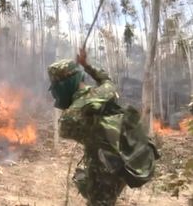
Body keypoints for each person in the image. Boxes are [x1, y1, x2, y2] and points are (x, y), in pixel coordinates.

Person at [47, 49, 159, 206]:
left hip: (103, 173)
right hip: (124, 161)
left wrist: (75, 105)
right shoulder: (105, 91)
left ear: (64, 85)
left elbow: (65, 129)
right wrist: (87, 65)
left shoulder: (70, 117)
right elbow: (107, 80)